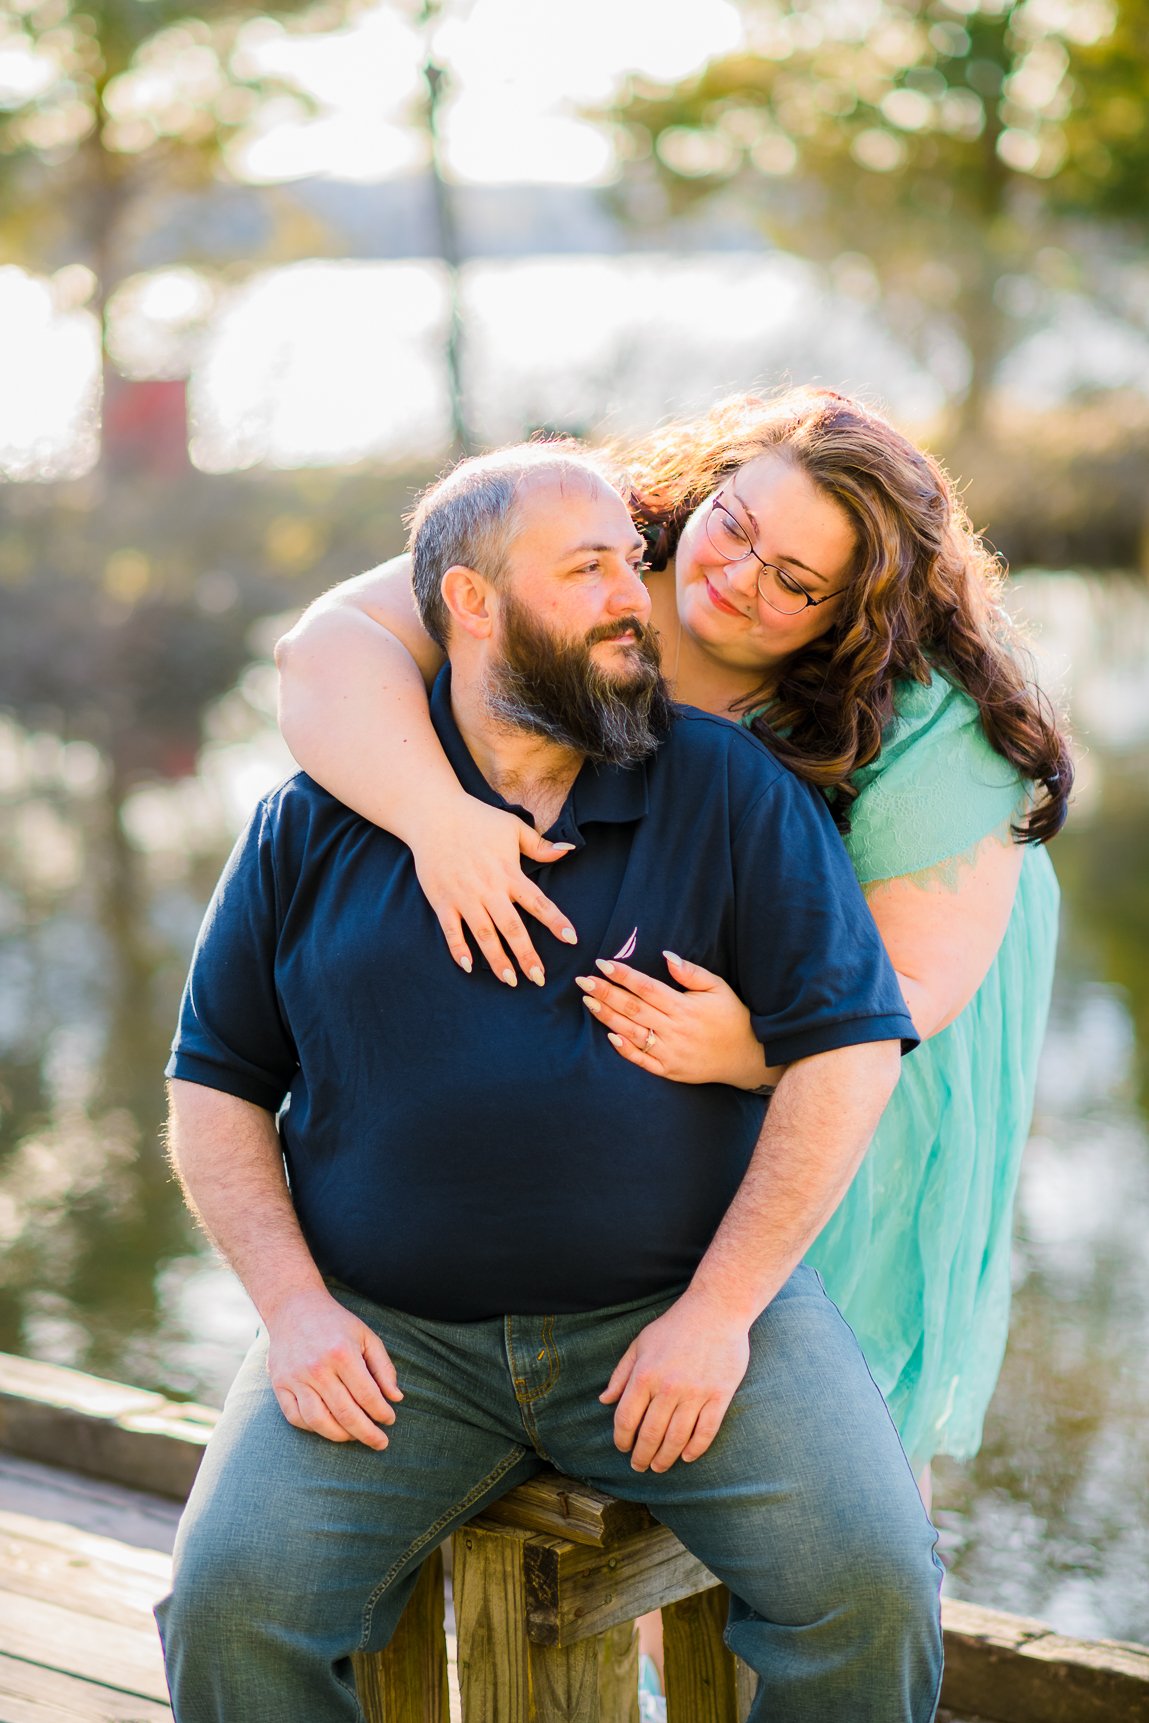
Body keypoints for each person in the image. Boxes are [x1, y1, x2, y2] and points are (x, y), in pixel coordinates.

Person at [158, 443, 943, 1723]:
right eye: (589, 570)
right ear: (471, 603)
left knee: (871, 1586)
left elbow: (846, 1048)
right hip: (387, 1336)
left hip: (681, 1313)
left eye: (630, 563)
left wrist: (720, 1309)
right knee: (232, 1607)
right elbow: (216, 1089)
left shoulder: (729, 788)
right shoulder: (310, 823)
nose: (638, 596)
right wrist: (295, 1311)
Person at [275, 388, 1071, 1481]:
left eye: (794, 585)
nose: (736, 575)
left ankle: (846, 1537)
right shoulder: (599, 543)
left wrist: (752, 1052)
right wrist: (437, 817)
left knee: (821, 1375)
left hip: (858, 1017)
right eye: (735, 525)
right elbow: (327, 651)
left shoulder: (933, 719)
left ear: (855, 619)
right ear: (713, 481)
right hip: (646, 982)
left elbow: (913, 979)